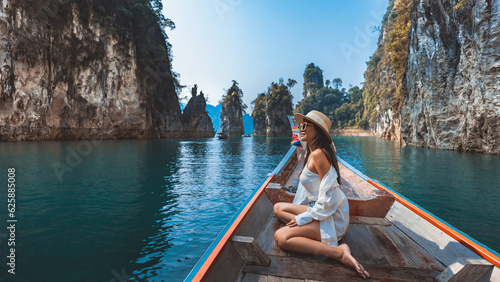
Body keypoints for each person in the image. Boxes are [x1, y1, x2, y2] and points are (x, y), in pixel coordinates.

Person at [273, 110, 370, 279]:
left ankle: (338, 252)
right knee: (278, 208)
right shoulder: (312, 153)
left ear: (317, 130)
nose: (300, 129)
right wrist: (305, 216)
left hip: (332, 216)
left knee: (281, 237)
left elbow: (330, 197)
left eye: (305, 125)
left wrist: (303, 218)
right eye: (299, 125)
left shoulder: (318, 155)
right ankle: (310, 230)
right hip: (319, 209)